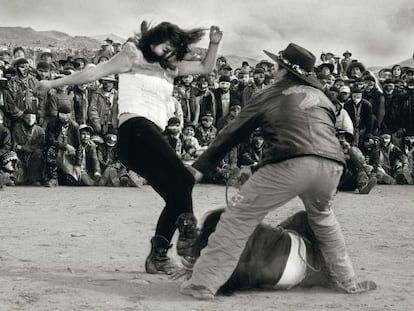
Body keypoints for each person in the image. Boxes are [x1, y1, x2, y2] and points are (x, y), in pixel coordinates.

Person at [180, 43, 376, 300]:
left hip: (291, 164)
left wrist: (200, 168)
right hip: (332, 167)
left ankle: (202, 284)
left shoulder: (268, 93)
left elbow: (233, 132)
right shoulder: (324, 99)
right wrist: (257, 167)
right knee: (324, 219)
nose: (273, 71)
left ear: (284, 71)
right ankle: (348, 281)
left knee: (237, 219)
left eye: (276, 67)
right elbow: (310, 138)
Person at [37, 21, 223, 275]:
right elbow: (93, 73)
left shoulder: (170, 67)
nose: (167, 52)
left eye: (172, 49)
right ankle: (190, 235)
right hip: (134, 129)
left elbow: (205, 67)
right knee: (183, 177)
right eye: (164, 46)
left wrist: (214, 44)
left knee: (178, 192)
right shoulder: (132, 55)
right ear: (153, 40)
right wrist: (52, 84)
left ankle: (157, 256)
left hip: (150, 139)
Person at [173, 209, 376, 294]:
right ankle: (341, 282)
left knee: (228, 223)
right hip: (285, 273)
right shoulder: (318, 263)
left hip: (277, 260)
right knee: (308, 219)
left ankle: (199, 247)